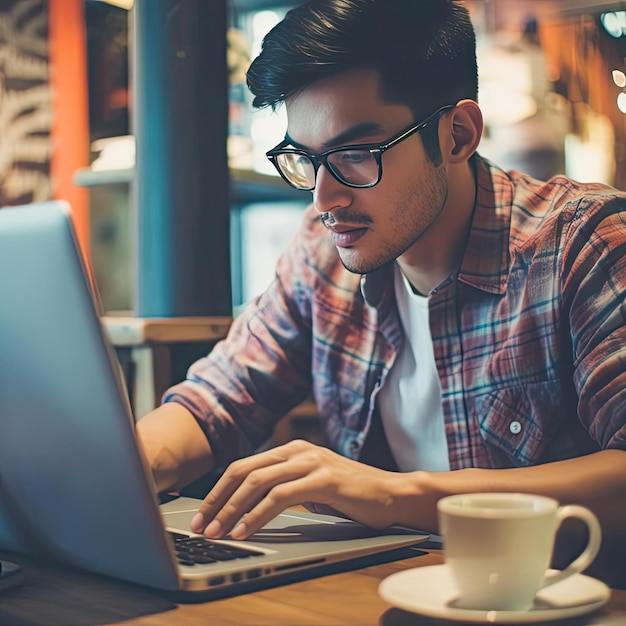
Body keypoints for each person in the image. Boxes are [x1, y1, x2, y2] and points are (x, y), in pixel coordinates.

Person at [136, 0, 626, 582]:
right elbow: (215, 403)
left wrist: (394, 495)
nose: (324, 198)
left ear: (458, 134)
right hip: (388, 599)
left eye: (353, 156)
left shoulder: (581, 242)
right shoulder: (322, 260)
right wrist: (108, 474)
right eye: (306, 159)